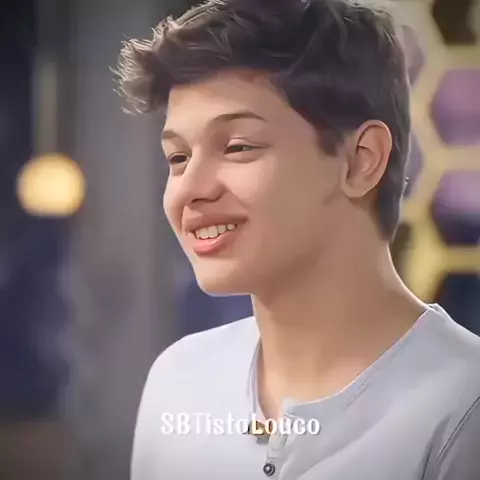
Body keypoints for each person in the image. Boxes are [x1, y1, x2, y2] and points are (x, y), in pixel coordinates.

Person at [115, 0, 480, 478]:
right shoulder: (178, 382)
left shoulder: (462, 405)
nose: (190, 190)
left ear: (361, 161)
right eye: (178, 158)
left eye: (238, 146)